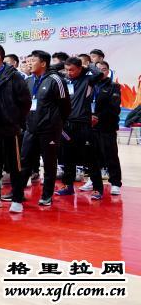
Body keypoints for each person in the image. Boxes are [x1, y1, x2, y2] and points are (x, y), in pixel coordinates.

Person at [0, 43, 31, 213]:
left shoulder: (13, 76)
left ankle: (17, 198)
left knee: (14, 165)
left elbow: (25, 101)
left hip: (9, 127)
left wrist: (14, 119)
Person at [19, 50, 70, 207]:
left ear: (43, 63)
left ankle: (47, 195)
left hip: (49, 130)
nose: (29, 63)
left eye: (33, 61)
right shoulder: (28, 81)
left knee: (49, 163)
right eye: (28, 61)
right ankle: (17, 193)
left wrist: (54, 123)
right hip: (30, 128)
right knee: (24, 161)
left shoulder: (56, 80)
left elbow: (65, 107)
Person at [56, 57, 103, 199]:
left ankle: (97, 188)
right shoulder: (64, 80)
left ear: (80, 69)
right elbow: (51, 69)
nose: (68, 72)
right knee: (67, 156)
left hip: (83, 124)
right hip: (66, 125)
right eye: (66, 69)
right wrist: (65, 63)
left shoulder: (88, 80)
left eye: (72, 70)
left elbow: (99, 74)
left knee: (90, 157)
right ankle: (68, 186)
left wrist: (88, 65)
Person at [81, 60, 121, 196]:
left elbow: (114, 108)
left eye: (104, 69)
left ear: (108, 71)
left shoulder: (114, 86)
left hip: (106, 126)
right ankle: (93, 180)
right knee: (92, 156)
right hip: (90, 126)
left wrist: (97, 117)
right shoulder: (89, 84)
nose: (101, 72)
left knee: (111, 155)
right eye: (98, 69)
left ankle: (115, 183)